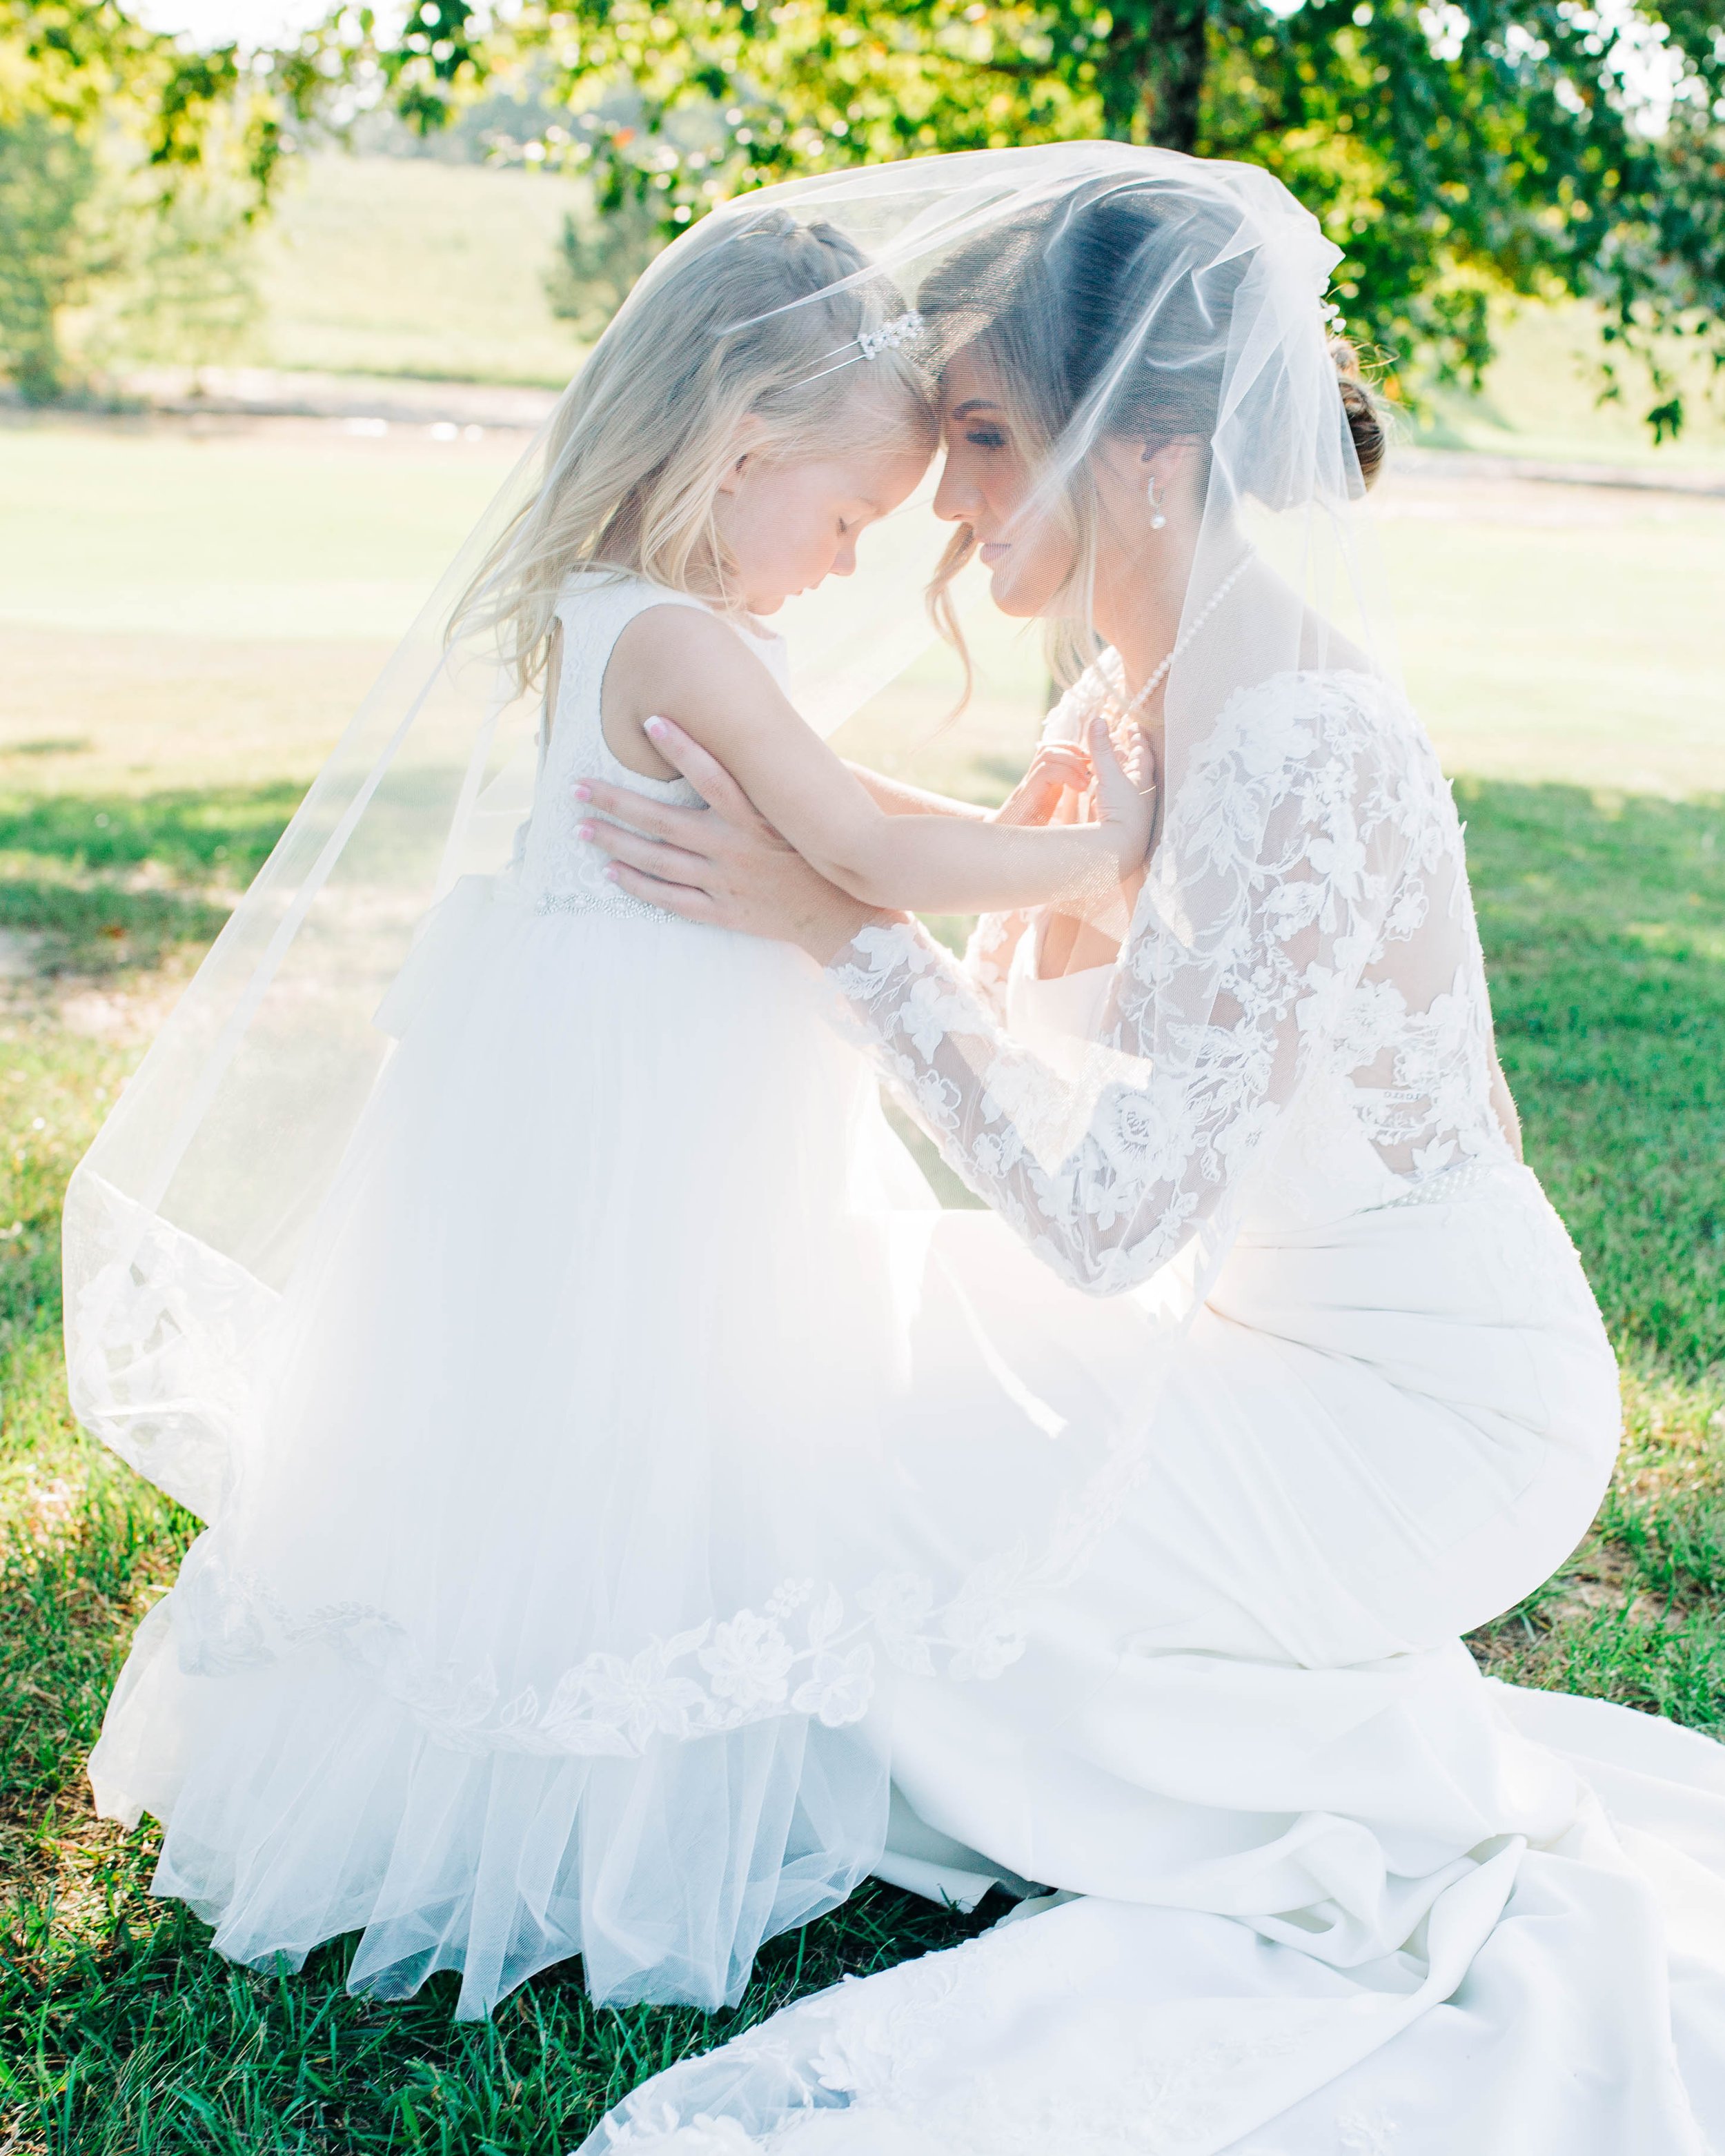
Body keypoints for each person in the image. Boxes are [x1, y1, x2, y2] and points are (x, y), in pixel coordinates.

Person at [566, 159, 1725, 2153]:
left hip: (1422, 1414)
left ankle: (1344, 1770)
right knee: (850, 1359)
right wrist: (1015, 919)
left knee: (890, 1477)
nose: (942, 491)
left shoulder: (1288, 733)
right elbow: (1091, 1075)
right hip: (1263, 1344)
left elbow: (1110, 1221)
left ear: (1152, 449)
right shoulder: (1140, 688)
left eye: (990, 435)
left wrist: (840, 924)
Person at [71, 200, 1159, 2019]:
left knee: (613, 1415)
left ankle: (591, 1761)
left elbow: (838, 786)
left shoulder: (634, 619)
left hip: (608, 1083)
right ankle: (587, 1800)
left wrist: (1014, 799)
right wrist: (1101, 842)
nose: (845, 566)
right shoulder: (680, 636)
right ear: (739, 449)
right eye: (843, 523)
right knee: (647, 1413)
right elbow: (865, 841)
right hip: (655, 1119)